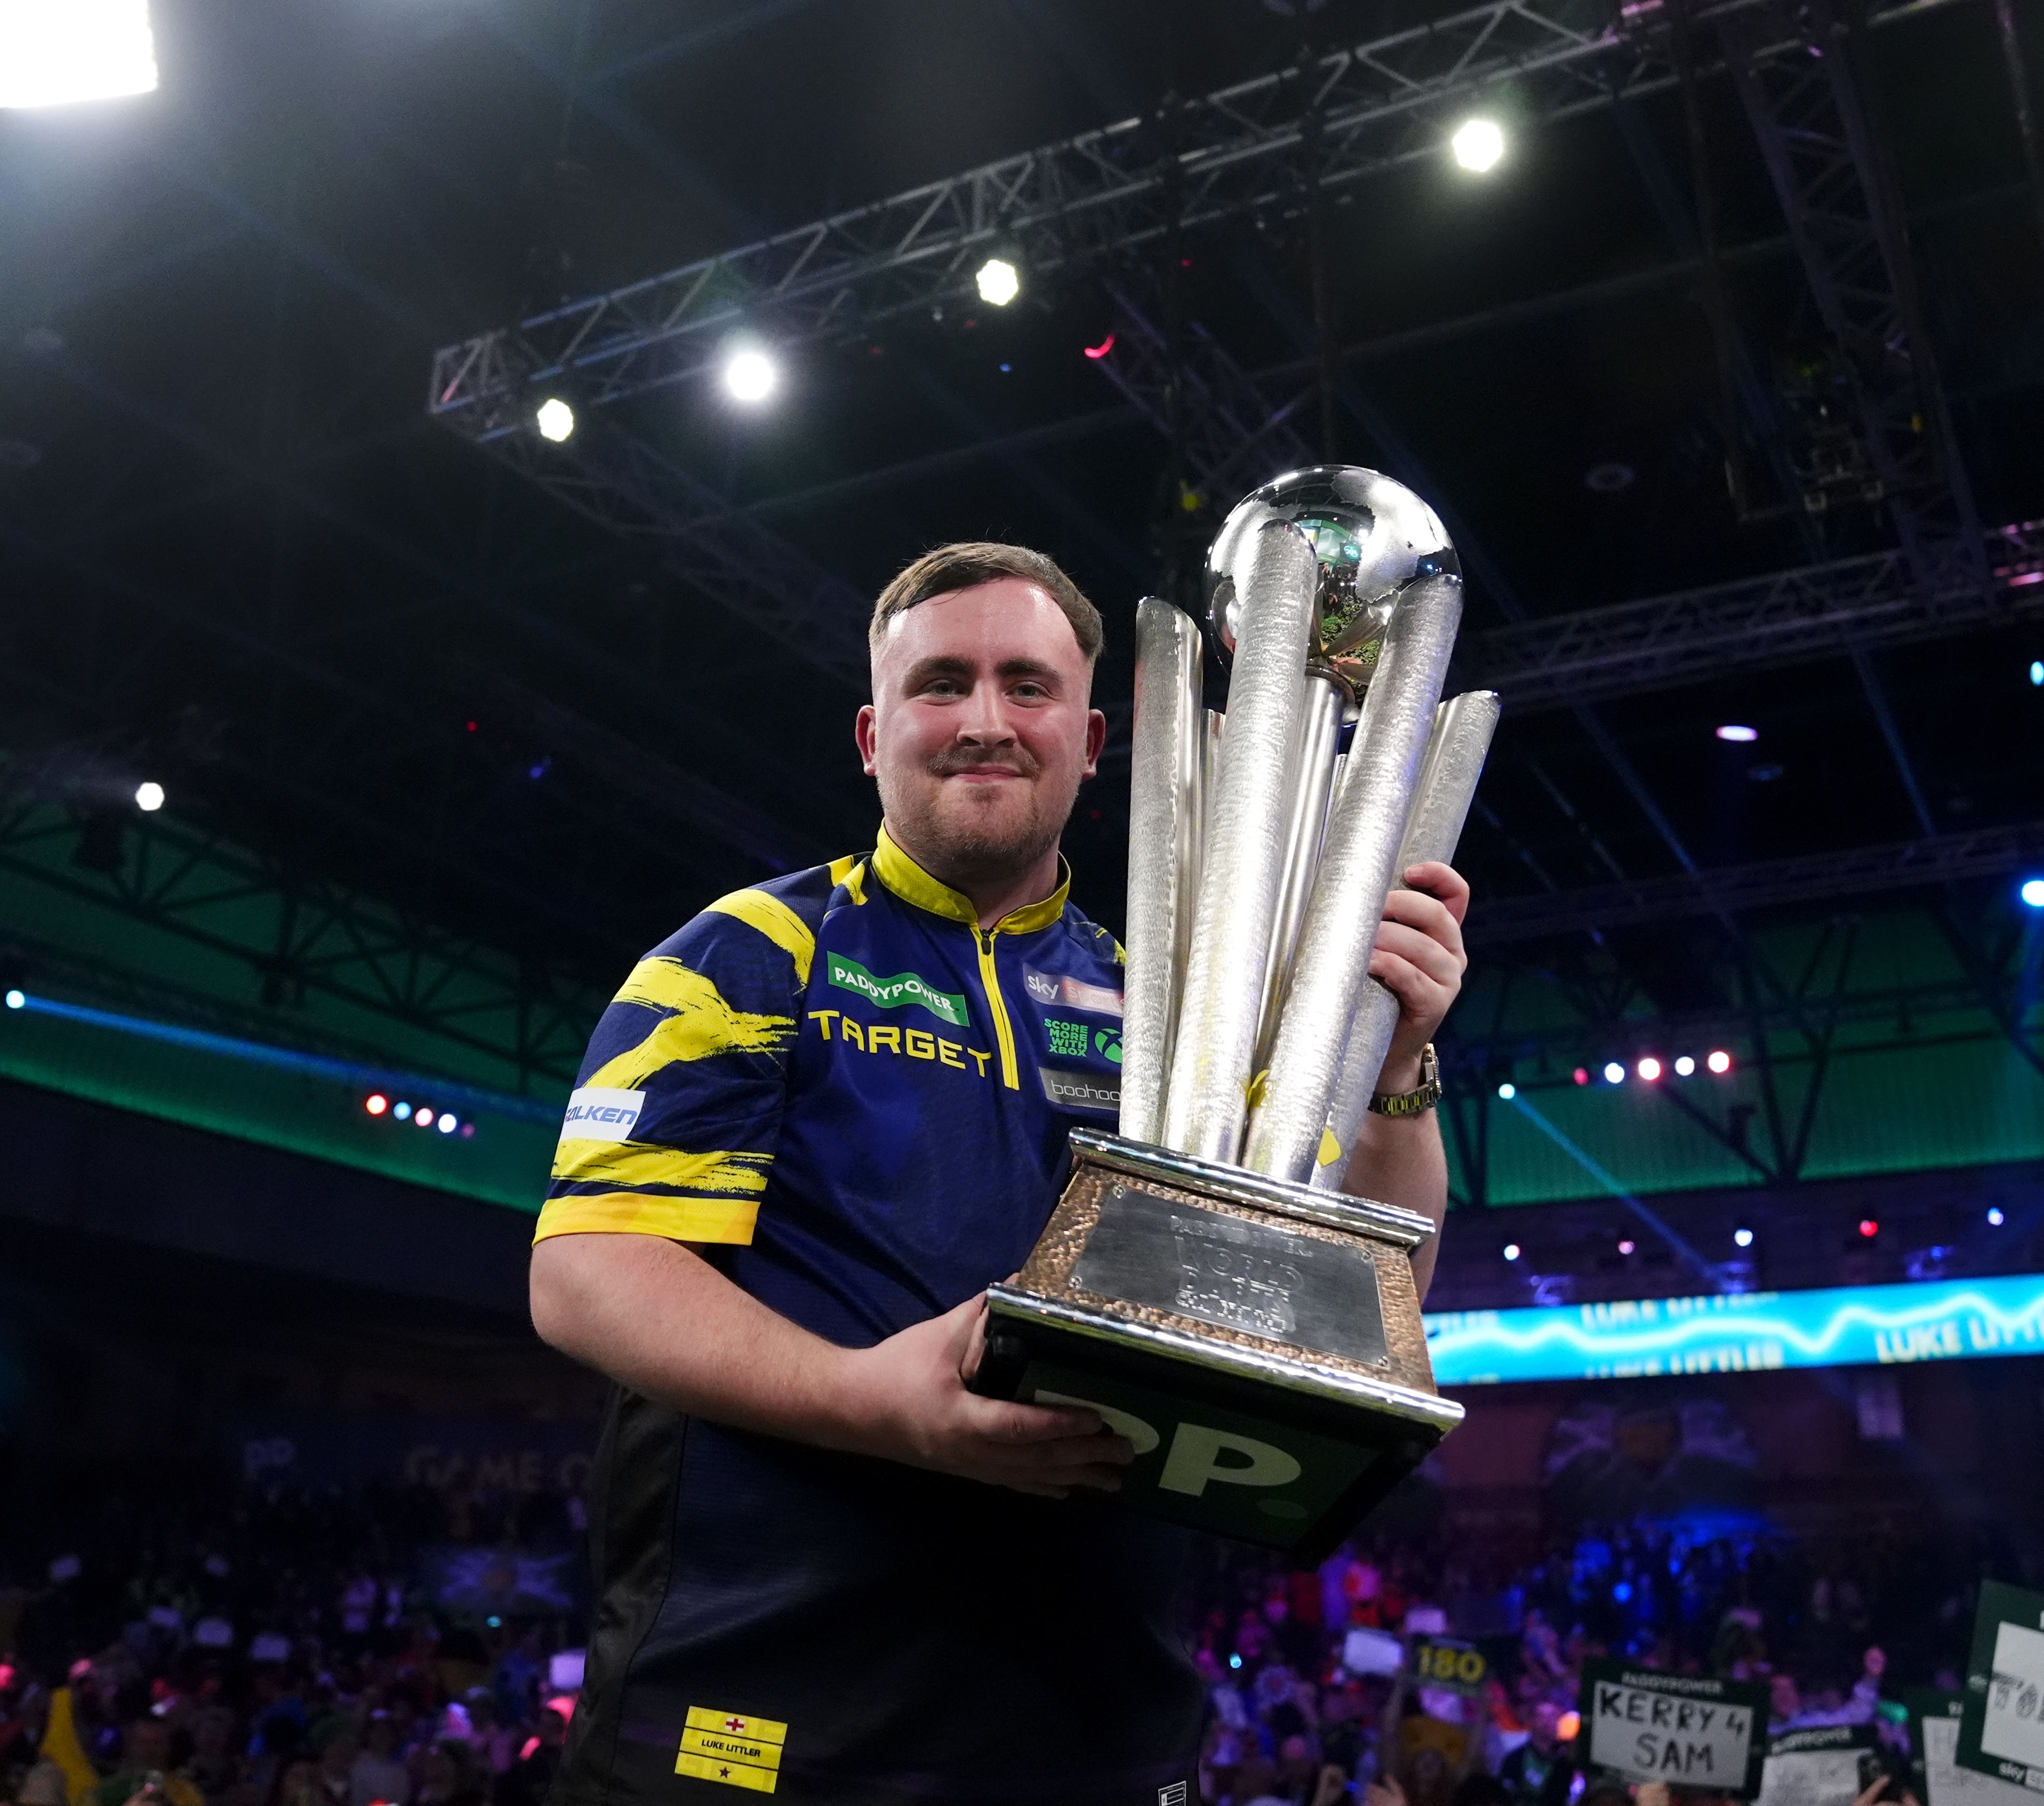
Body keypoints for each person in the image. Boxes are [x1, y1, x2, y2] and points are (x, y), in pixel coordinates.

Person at [529, 543, 1471, 1802]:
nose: (984, 722)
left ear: (1090, 740)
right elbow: (588, 1274)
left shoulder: (1179, 1008)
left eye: (1025, 686)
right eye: (941, 684)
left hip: (1097, 1735)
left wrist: (1395, 1065)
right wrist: (876, 1402)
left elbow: (1365, 1298)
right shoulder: (749, 956)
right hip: (761, 1725)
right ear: (873, 733)